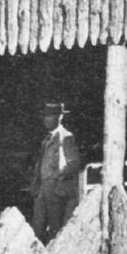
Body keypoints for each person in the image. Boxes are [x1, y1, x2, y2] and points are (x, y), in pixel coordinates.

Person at [31, 101, 82, 241]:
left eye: (51, 116)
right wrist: (36, 185)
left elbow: (74, 163)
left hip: (56, 191)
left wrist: (57, 176)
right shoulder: (46, 139)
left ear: (60, 117)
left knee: (55, 228)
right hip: (42, 190)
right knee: (38, 227)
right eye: (45, 116)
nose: (46, 119)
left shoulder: (66, 137)